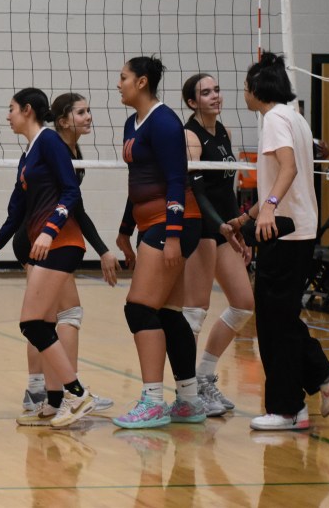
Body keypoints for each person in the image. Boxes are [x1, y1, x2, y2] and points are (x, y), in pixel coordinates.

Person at [225, 52, 329, 430]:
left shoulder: (274, 118)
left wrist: (270, 209)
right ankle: (321, 383)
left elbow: (287, 169)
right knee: (279, 319)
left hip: (286, 231)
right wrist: (247, 217)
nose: (244, 94)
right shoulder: (294, 118)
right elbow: (278, 177)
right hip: (294, 228)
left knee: (276, 322)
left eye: (245, 88)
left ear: (256, 89)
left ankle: (289, 408)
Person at [0, 88, 95, 428]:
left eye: (11, 108)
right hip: (44, 244)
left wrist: (50, 229)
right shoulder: (28, 155)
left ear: (27, 110)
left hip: (61, 242)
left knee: (31, 323)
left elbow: (71, 190)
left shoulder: (50, 142)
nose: (7, 115)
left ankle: (77, 393)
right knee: (40, 324)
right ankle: (54, 402)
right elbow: (15, 215)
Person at [113, 56, 205, 430]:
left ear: (142, 82)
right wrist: (123, 229)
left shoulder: (165, 122)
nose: (118, 84)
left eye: (123, 78)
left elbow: (174, 180)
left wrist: (172, 235)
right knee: (167, 313)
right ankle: (189, 401)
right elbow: (138, 181)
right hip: (151, 222)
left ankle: (152, 401)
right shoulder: (131, 123)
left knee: (139, 309)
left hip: (174, 223)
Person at [21, 93, 118, 416]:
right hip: (41, 240)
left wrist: (103, 250)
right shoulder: (55, 149)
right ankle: (70, 392)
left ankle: (53, 395)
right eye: (81, 112)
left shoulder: (71, 151)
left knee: (48, 317)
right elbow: (67, 204)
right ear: (62, 120)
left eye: (89, 110)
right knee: (58, 316)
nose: (89, 116)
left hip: (48, 238)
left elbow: (76, 209)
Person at [179, 74, 253, 417]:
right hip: (198, 227)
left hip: (222, 227)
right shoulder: (190, 136)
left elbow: (228, 189)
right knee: (195, 312)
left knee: (243, 303)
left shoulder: (223, 131)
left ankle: (205, 376)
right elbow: (196, 190)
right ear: (192, 102)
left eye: (217, 90)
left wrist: (237, 229)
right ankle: (188, 393)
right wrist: (219, 226)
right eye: (205, 93)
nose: (214, 96)